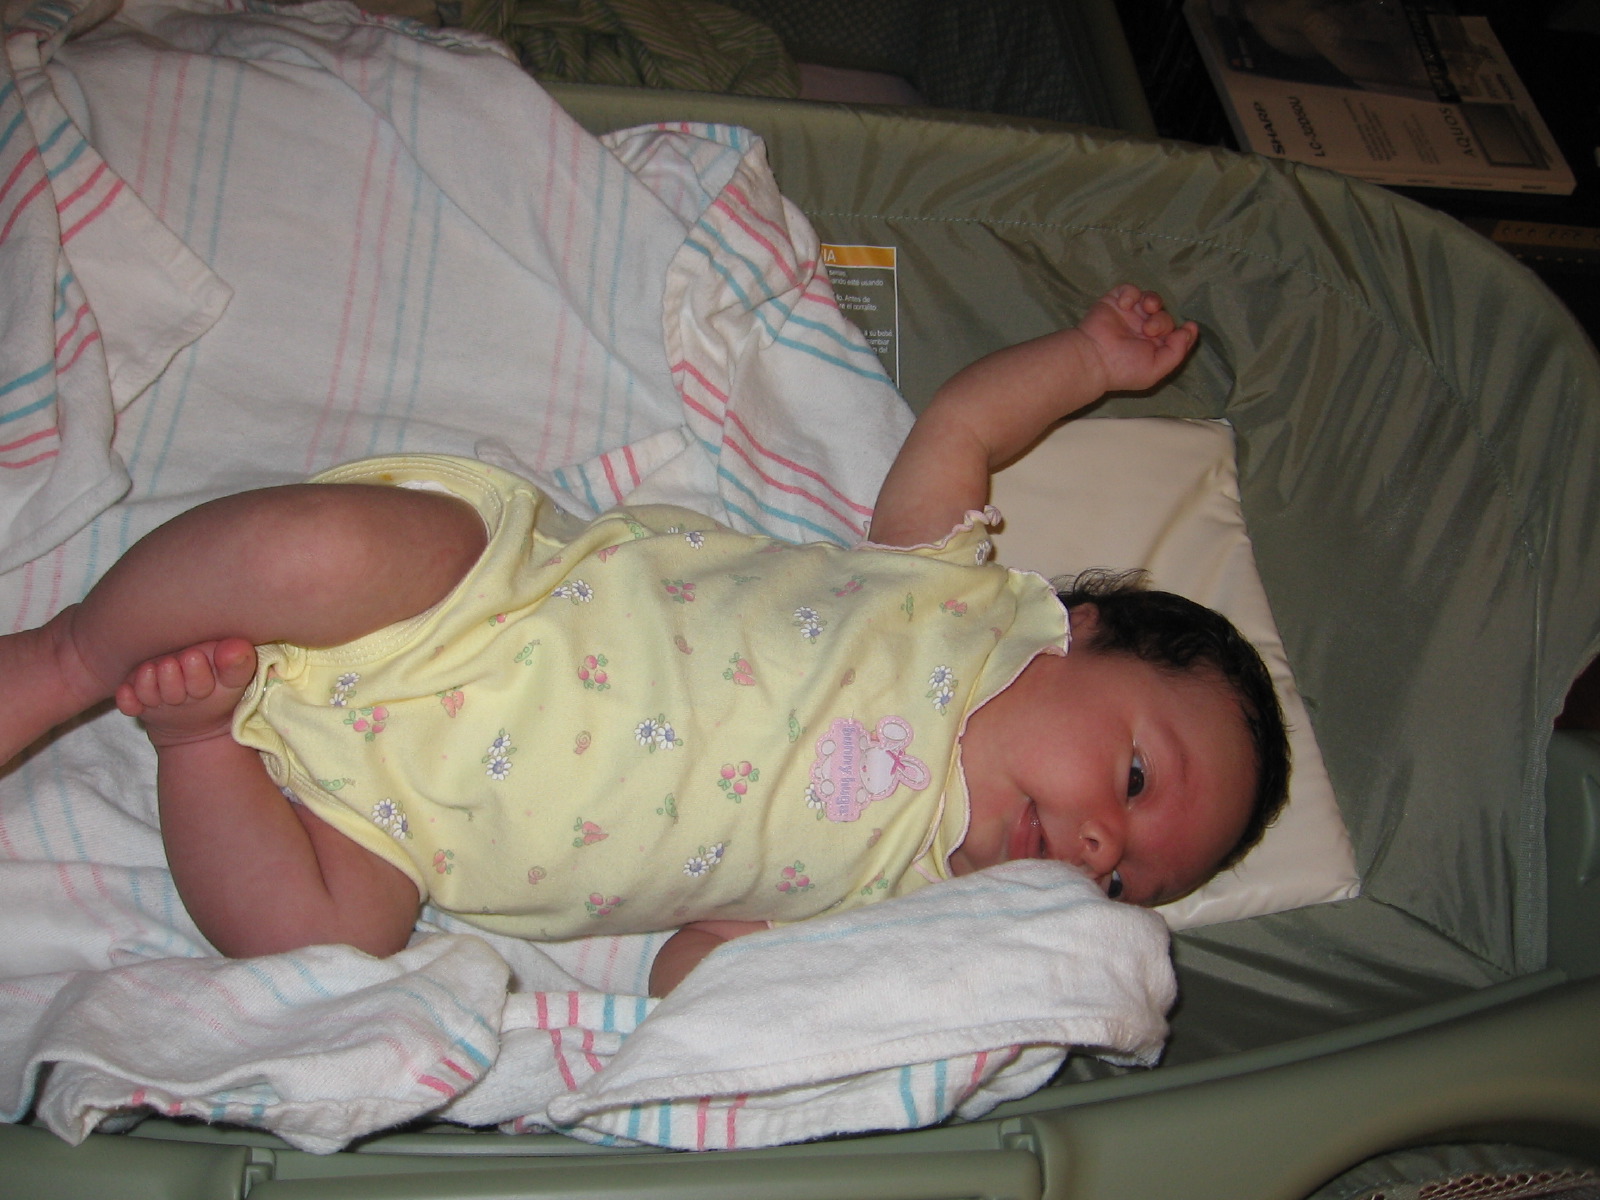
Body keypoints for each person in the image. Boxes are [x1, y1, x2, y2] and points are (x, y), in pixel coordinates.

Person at [0, 285, 1288, 995]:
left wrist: (734, 1024)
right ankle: (67, 659)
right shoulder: (950, 601)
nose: (1101, 848)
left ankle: (200, 746)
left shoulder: (898, 899)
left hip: (404, 819)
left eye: (1123, 885)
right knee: (315, 551)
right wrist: (1086, 361)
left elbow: (701, 964)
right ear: (1077, 632)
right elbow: (962, 426)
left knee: (325, 948)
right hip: (483, 599)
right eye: (1135, 779)